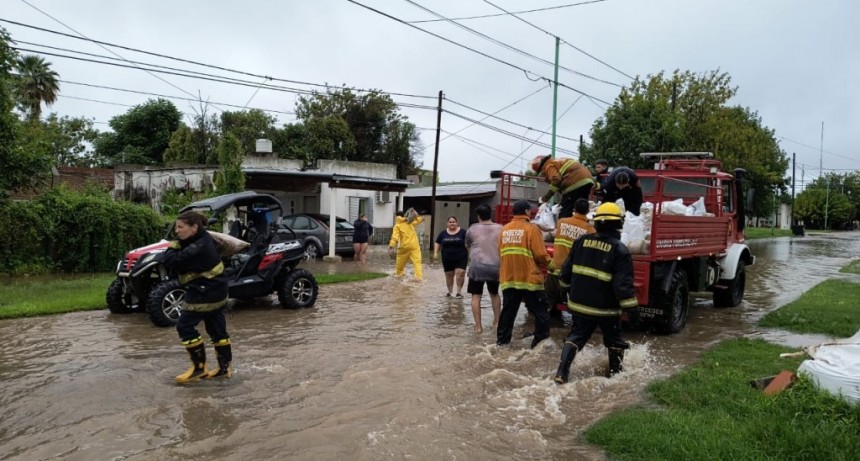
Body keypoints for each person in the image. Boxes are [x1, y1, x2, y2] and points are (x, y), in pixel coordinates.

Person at [553, 202, 638, 384]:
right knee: (614, 340)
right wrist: (632, 311)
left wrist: (565, 290)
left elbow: (565, 272)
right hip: (606, 310)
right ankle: (616, 377)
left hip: (579, 305)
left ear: (597, 223)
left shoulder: (581, 241)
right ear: (619, 224)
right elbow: (622, 286)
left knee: (576, 336)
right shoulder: (620, 250)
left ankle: (561, 372)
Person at [158, 211, 233, 384]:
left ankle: (199, 369)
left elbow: (170, 260)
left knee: (184, 326)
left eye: (180, 227)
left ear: (194, 227)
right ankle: (224, 368)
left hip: (205, 290)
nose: (177, 231)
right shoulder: (201, 238)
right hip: (216, 288)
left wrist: (173, 244)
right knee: (216, 328)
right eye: (176, 227)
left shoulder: (197, 247)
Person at [496, 200, 551, 348]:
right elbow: (540, 254)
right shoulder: (532, 229)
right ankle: (540, 344)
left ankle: (502, 343)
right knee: (541, 311)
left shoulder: (504, 229)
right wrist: (552, 265)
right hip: (529, 279)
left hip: (509, 278)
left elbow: (500, 252)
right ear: (527, 212)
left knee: (508, 312)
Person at [546, 198, 595, 313]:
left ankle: (546, 328)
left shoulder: (562, 222)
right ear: (588, 212)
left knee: (548, 305)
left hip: (555, 269)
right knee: (575, 306)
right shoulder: (590, 230)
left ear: (574, 209)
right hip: (573, 274)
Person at [464, 204, 503, 333]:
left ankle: (478, 327)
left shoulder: (472, 229)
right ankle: (497, 322)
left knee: (476, 296)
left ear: (478, 216)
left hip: (477, 266)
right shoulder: (500, 228)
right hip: (495, 266)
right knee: (494, 294)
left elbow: (467, 245)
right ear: (490, 214)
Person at [530, 155, 595, 219]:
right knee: (581, 210)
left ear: (541, 167)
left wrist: (545, 198)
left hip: (574, 183)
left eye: (541, 172)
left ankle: (564, 228)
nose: (542, 174)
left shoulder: (548, 165)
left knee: (565, 213)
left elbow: (556, 180)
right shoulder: (558, 161)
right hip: (587, 182)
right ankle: (581, 227)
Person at [434, 216, 468, 297]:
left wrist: (472, 253)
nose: (452, 223)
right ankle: (450, 292)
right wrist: (435, 253)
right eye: (450, 222)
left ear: (457, 223)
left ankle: (459, 292)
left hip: (461, 257)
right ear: (447, 223)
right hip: (447, 258)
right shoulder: (443, 233)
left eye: (453, 222)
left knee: (460, 273)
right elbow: (437, 242)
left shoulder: (463, 232)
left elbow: (468, 243)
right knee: (449, 275)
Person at [389, 208, 424, 280]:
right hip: (414, 245)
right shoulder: (410, 222)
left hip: (404, 247)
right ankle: (419, 277)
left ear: (396, 216)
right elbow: (421, 219)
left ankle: (399, 274)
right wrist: (416, 214)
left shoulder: (397, 225)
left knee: (399, 265)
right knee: (417, 262)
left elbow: (395, 237)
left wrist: (391, 246)